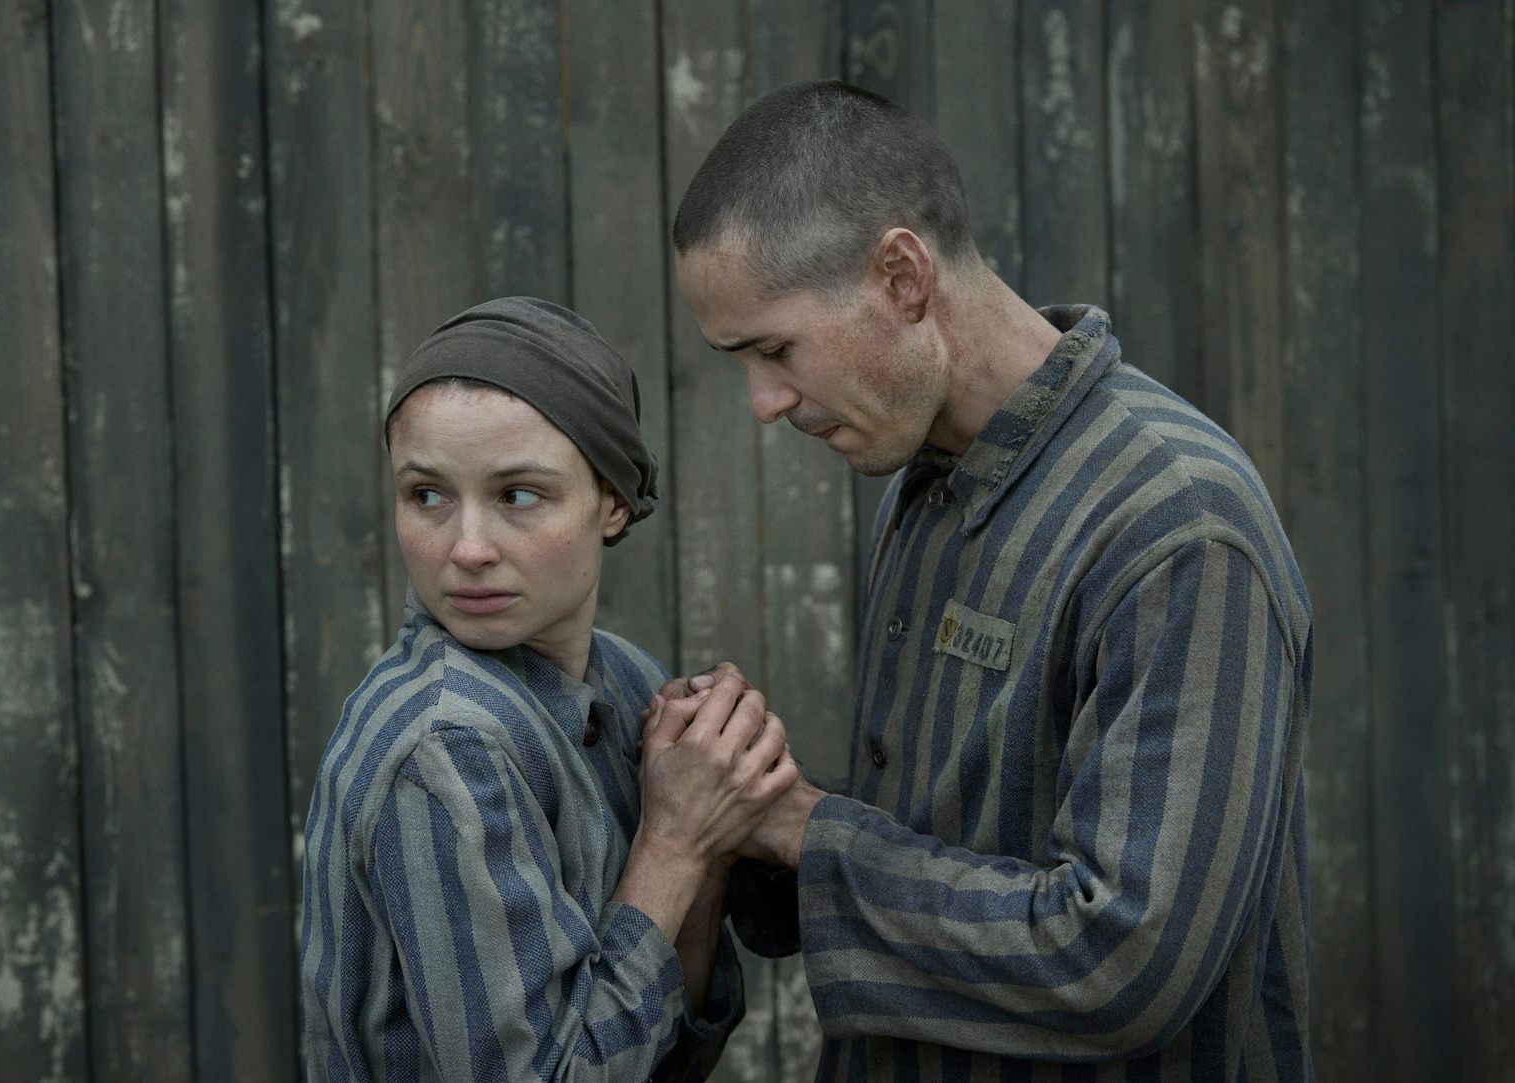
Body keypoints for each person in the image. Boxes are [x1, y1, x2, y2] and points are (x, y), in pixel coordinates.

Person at [657, 80, 1315, 1080]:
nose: (762, 402)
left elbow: (1124, 961)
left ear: (904, 276)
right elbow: (958, 854)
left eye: (775, 349)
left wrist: (809, 832)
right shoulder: (926, 483)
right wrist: (750, 809)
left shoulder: (1179, 522)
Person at [299, 296, 800, 1081]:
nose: (466, 548)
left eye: (517, 495)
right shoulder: (444, 745)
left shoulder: (625, 680)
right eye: (426, 495)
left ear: (612, 500)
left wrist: (710, 859)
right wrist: (673, 847)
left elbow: (671, 1055)